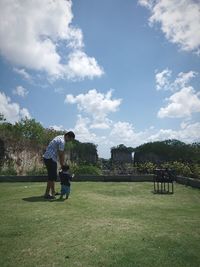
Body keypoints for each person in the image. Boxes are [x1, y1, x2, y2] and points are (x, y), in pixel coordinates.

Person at [43, 131, 75, 199]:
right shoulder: (62, 141)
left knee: (50, 177)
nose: (69, 141)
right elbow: (61, 155)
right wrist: (62, 166)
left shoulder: (59, 137)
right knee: (52, 177)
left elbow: (61, 153)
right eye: (70, 139)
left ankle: (47, 193)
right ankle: (52, 193)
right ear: (67, 136)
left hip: (47, 157)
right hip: (50, 158)